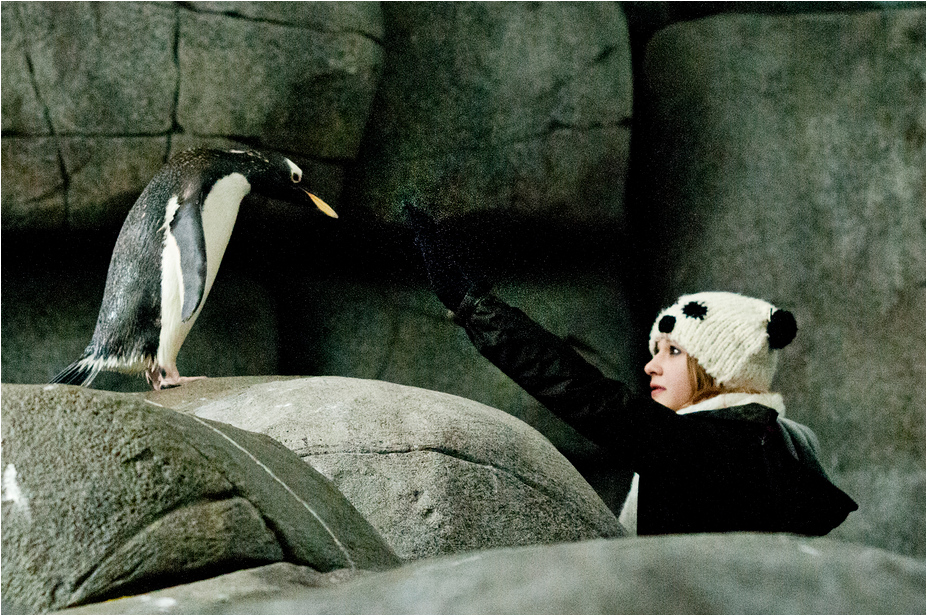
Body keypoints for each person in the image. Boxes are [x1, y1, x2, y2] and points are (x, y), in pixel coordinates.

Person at [405, 202, 858, 536]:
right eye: (654, 350)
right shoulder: (773, 442)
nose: (651, 365)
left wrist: (473, 306)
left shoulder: (721, 447)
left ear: (717, 367)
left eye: (673, 351)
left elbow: (590, 398)